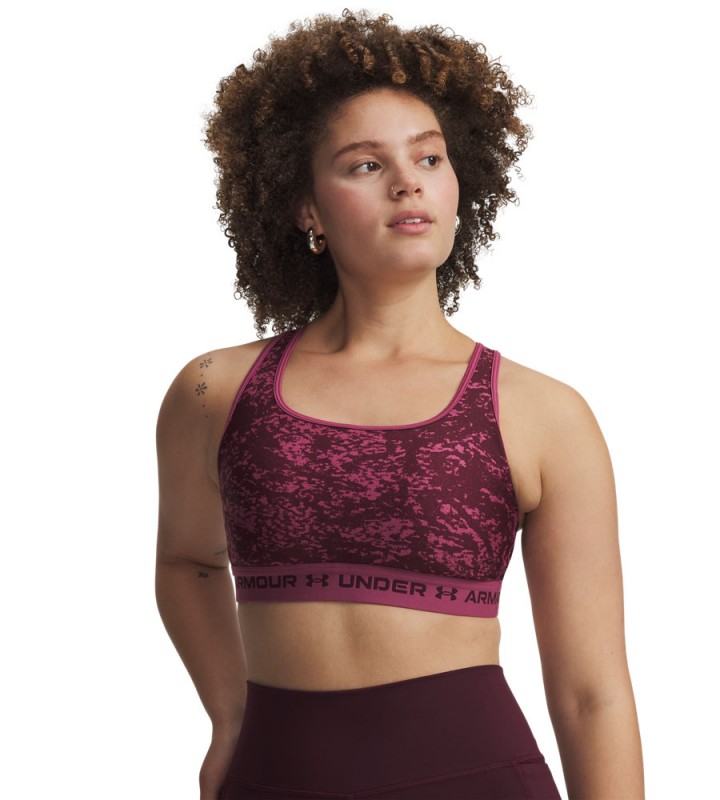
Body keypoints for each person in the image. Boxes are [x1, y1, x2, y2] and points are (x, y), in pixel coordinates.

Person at [155, 11, 644, 800]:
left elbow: (593, 697)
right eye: (364, 164)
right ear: (305, 208)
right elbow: (187, 561)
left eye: (428, 157)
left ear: (458, 185)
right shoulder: (215, 391)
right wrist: (229, 715)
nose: (407, 181)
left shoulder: (541, 413)